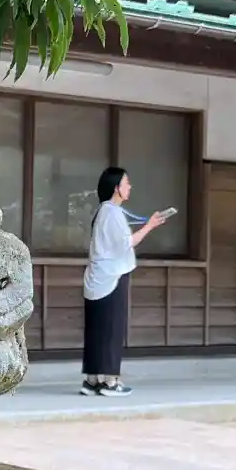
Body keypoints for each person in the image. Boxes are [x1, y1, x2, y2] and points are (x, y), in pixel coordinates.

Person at [81, 168, 171, 395]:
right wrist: (150, 226)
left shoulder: (103, 211)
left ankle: (92, 380)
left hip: (96, 279)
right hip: (112, 278)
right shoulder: (112, 213)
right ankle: (110, 382)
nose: (130, 187)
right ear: (116, 188)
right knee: (112, 330)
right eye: (126, 183)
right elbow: (126, 243)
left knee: (96, 330)